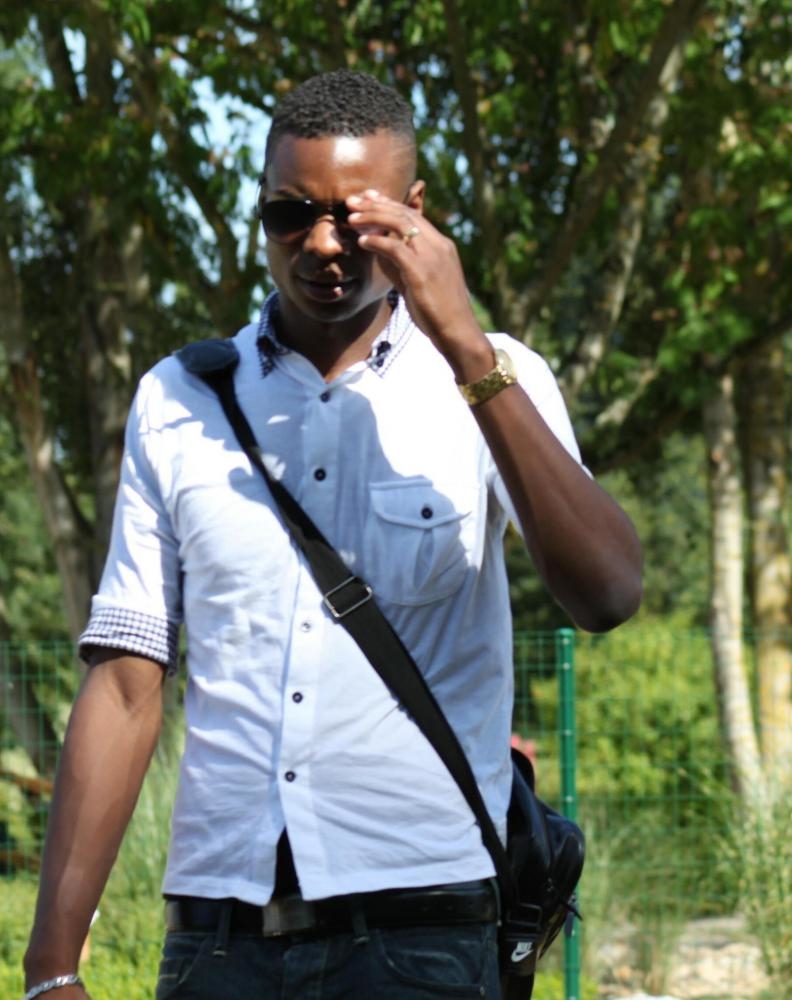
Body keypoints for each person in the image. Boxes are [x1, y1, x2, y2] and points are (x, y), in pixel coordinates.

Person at [23, 69, 642, 1000]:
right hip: (217, 944)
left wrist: (468, 348)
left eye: (356, 219)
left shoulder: (496, 379)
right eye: (290, 215)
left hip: (423, 939)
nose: (322, 245)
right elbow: (123, 684)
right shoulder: (178, 399)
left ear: (414, 211)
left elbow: (608, 594)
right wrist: (50, 966)